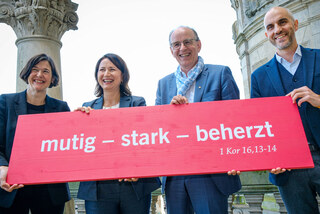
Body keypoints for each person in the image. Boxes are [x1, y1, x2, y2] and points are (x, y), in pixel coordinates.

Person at [155, 26, 241, 214]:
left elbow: (235, 120)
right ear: (171, 51)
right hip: (175, 174)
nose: (182, 48)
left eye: (187, 42)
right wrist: (170, 113)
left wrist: (236, 159)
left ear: (198, 45)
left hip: (211, 173)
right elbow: (158, 129)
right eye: (176, 44)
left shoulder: (220, 73)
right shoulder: (163, 85)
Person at [251, 6, 320, 213]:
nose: (277, 30)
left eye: (282, 22)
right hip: (289, 168)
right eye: (270, 27)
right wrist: (271, 158)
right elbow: (257, 127)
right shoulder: (258, 76)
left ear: (295, 24)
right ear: (266, 35)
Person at [77, 53, 161, 214]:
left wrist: (139, 170)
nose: (106, 74)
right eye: (102, 70)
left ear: (122, 76)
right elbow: (79, 145)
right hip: (97, 189)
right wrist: (76, 121)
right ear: (97, 76)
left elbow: (146, 141)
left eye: (112, 69)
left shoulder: (137, 103)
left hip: (133, 186)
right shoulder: (86, 108)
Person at [0, 53, 70, 213]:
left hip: (50, 190)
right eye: (35, 69)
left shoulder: (61, 108)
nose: (39, 75)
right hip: (12, 186)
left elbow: (72, 144)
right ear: (27, 73)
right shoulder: (5, 102)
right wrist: (2, 167)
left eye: (46, 71)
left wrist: (84, 115)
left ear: (53, 78)